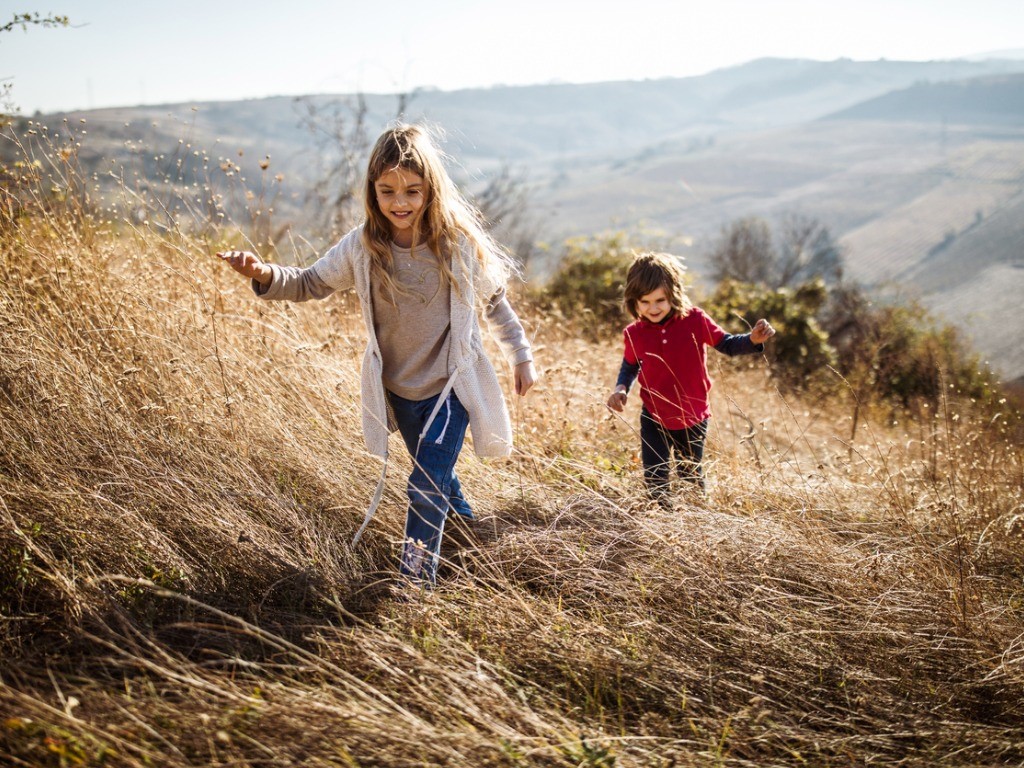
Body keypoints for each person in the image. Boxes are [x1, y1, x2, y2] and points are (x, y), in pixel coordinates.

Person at [217, 124, 537, 586]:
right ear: (373, 192)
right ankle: (474, 543)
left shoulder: (456, 246)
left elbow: (495, 304)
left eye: (412, 190)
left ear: (432, 189)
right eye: (387, 191)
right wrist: (264, 271)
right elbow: (310, 283)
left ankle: (414, 583)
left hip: (450, 388)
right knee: (440, 484)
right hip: (399, 392)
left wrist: (521, 356)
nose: (400, 202)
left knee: (425, 485)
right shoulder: (364, 247)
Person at [606, 252, 774, 505]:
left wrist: (752, 340)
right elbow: (630, 365)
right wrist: (621, 388)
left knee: (690, 480)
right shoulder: (634, 333)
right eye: (645, 302)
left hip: (692, 416)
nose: (653, 308)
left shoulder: (694, 320)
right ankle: (662, 527)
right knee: (655, 481)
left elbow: (727, 344)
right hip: (653, 416)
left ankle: (697, 522)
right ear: (634, 302)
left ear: (673, 294)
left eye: (660, 300)